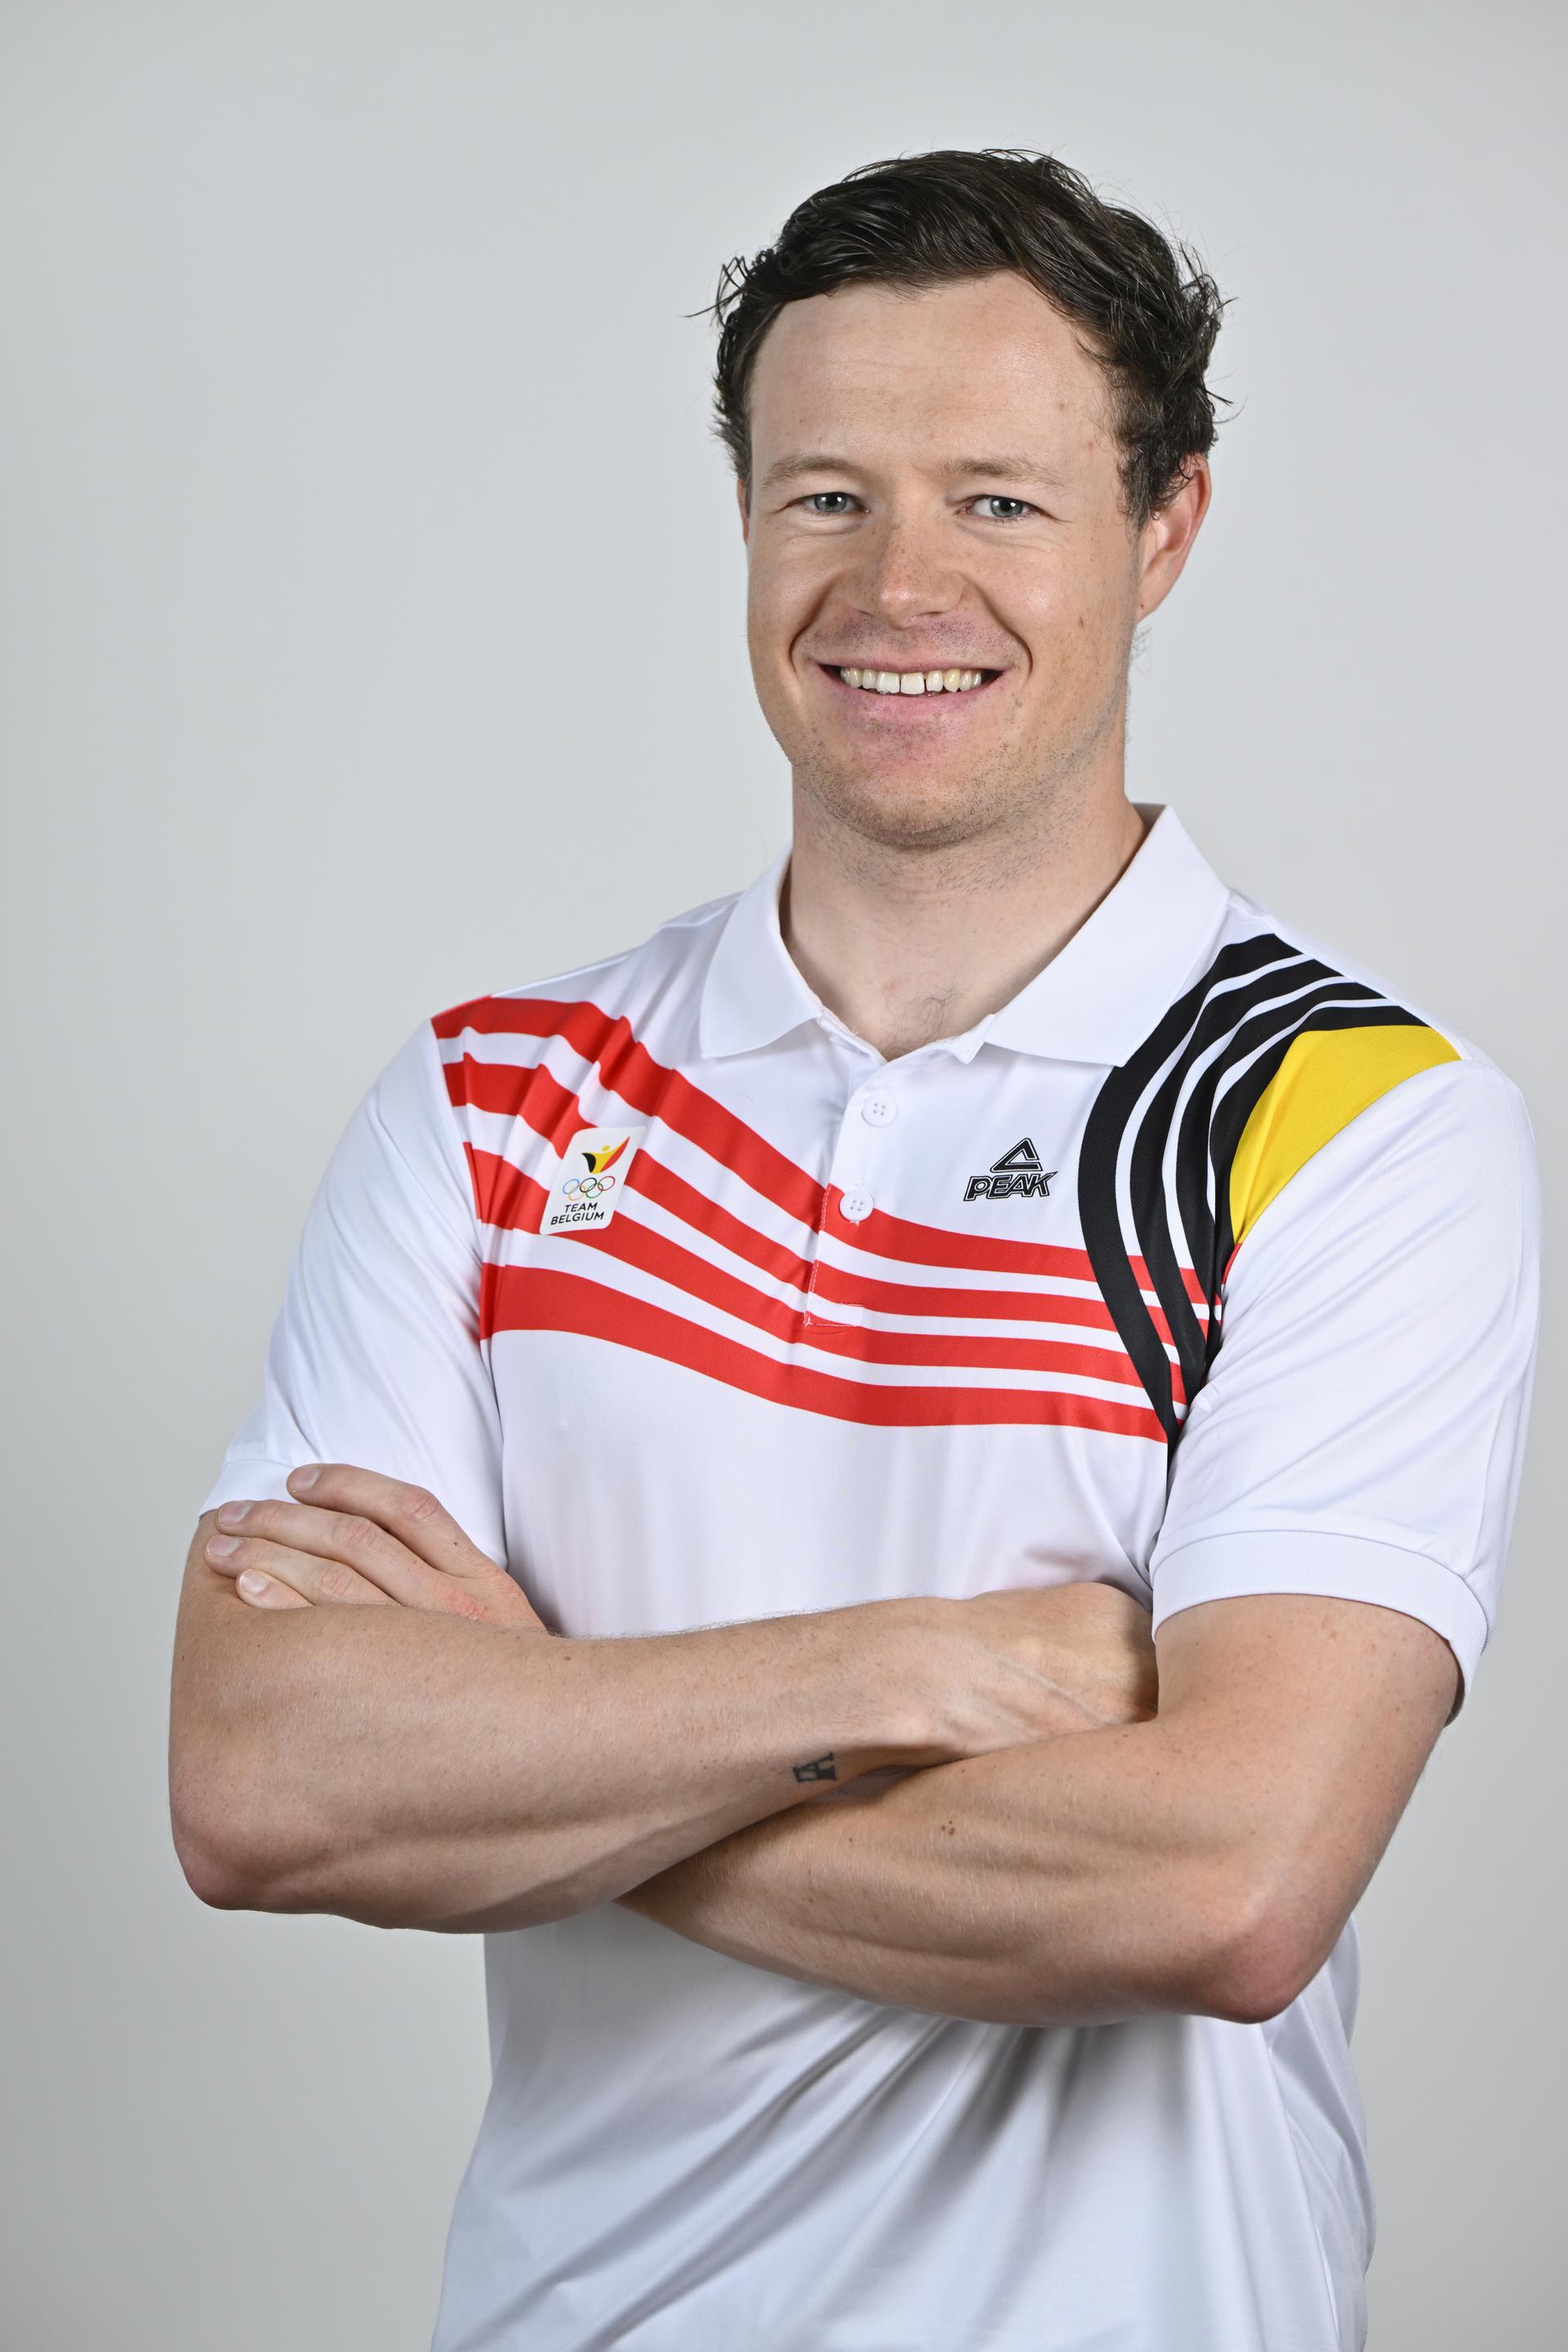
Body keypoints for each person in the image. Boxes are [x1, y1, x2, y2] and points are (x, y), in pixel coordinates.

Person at [167, 149, 1540, 2352]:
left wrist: (534, 1743)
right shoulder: (492, 1100)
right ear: (743, 518)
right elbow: (261, 1782)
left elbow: (1226, 1882)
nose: (901, 585)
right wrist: (905, 1671)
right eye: (827, 496)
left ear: (1163, 528)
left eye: (999, 500)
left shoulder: (1352, 1123)